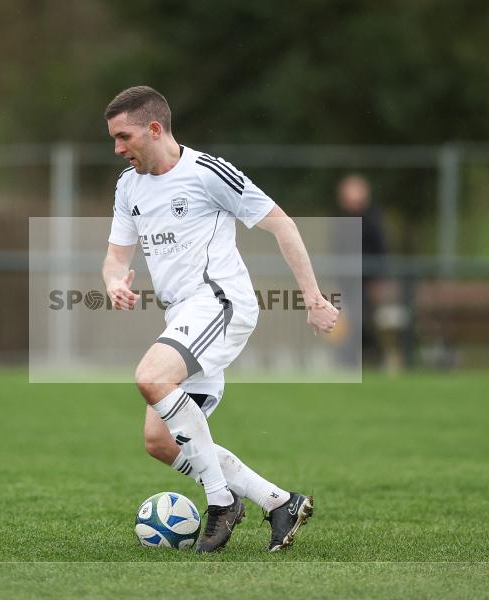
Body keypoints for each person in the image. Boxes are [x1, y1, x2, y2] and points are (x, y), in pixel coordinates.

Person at [102, 86, 338, 553]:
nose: (117, 148)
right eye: (113, 138)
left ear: (154, 128)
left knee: (150, 376)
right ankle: (279, 502)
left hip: (221, 303)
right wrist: (114, 282)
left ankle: (220, 501)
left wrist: (313, 297)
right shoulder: (128, 186)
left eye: (123, 136)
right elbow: (115, 257)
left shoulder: (206, 172)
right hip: (184, 315)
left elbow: (282, 224)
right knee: (159, 441)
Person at [334, 174, 387, 368]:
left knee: (360, 319)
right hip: (346, 281)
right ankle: (352, 359)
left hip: (365, 280)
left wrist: (377, 280)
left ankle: (370, 356)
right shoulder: (340, 220)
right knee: (347, 320)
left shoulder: (372, 219)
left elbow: (380, 250)